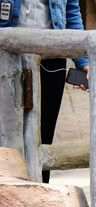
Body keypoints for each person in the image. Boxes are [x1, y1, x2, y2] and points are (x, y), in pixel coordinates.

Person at [0, 0, 89, 183]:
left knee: (43, 136)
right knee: (5, 134)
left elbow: (71, 11)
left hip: (51, 56)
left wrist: (83, 61)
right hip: (7, 54)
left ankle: (41, 193)